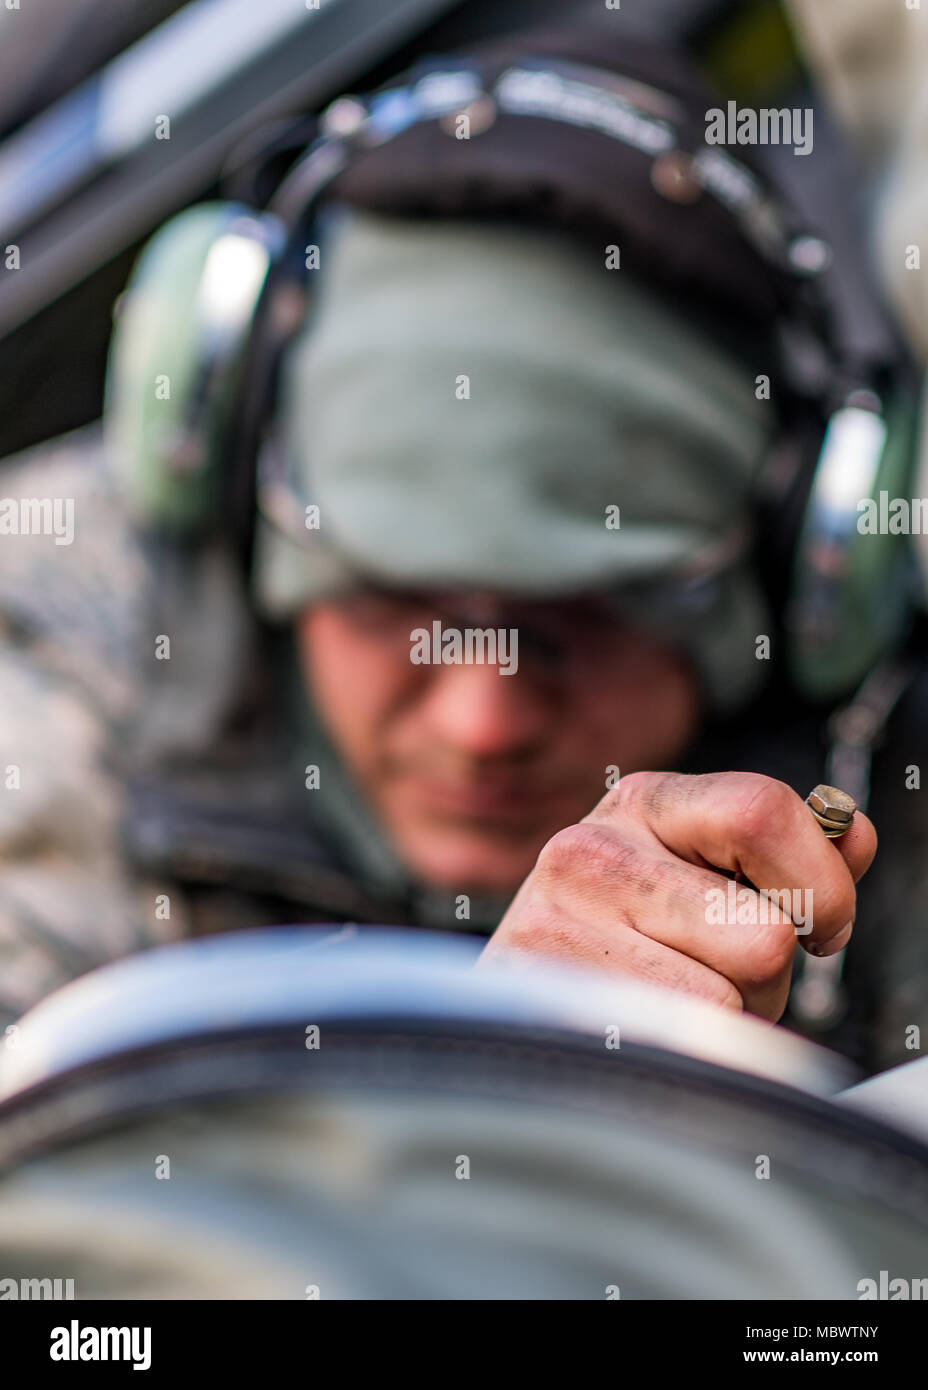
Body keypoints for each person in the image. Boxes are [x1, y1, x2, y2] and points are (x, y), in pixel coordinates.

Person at [0, 16, 925, 1078]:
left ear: (800, 573)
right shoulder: (52, 667)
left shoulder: (890, 765)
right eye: (395, 598)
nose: (481, 720)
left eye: (585, 617)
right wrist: (490, 1094)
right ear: (247, 516)